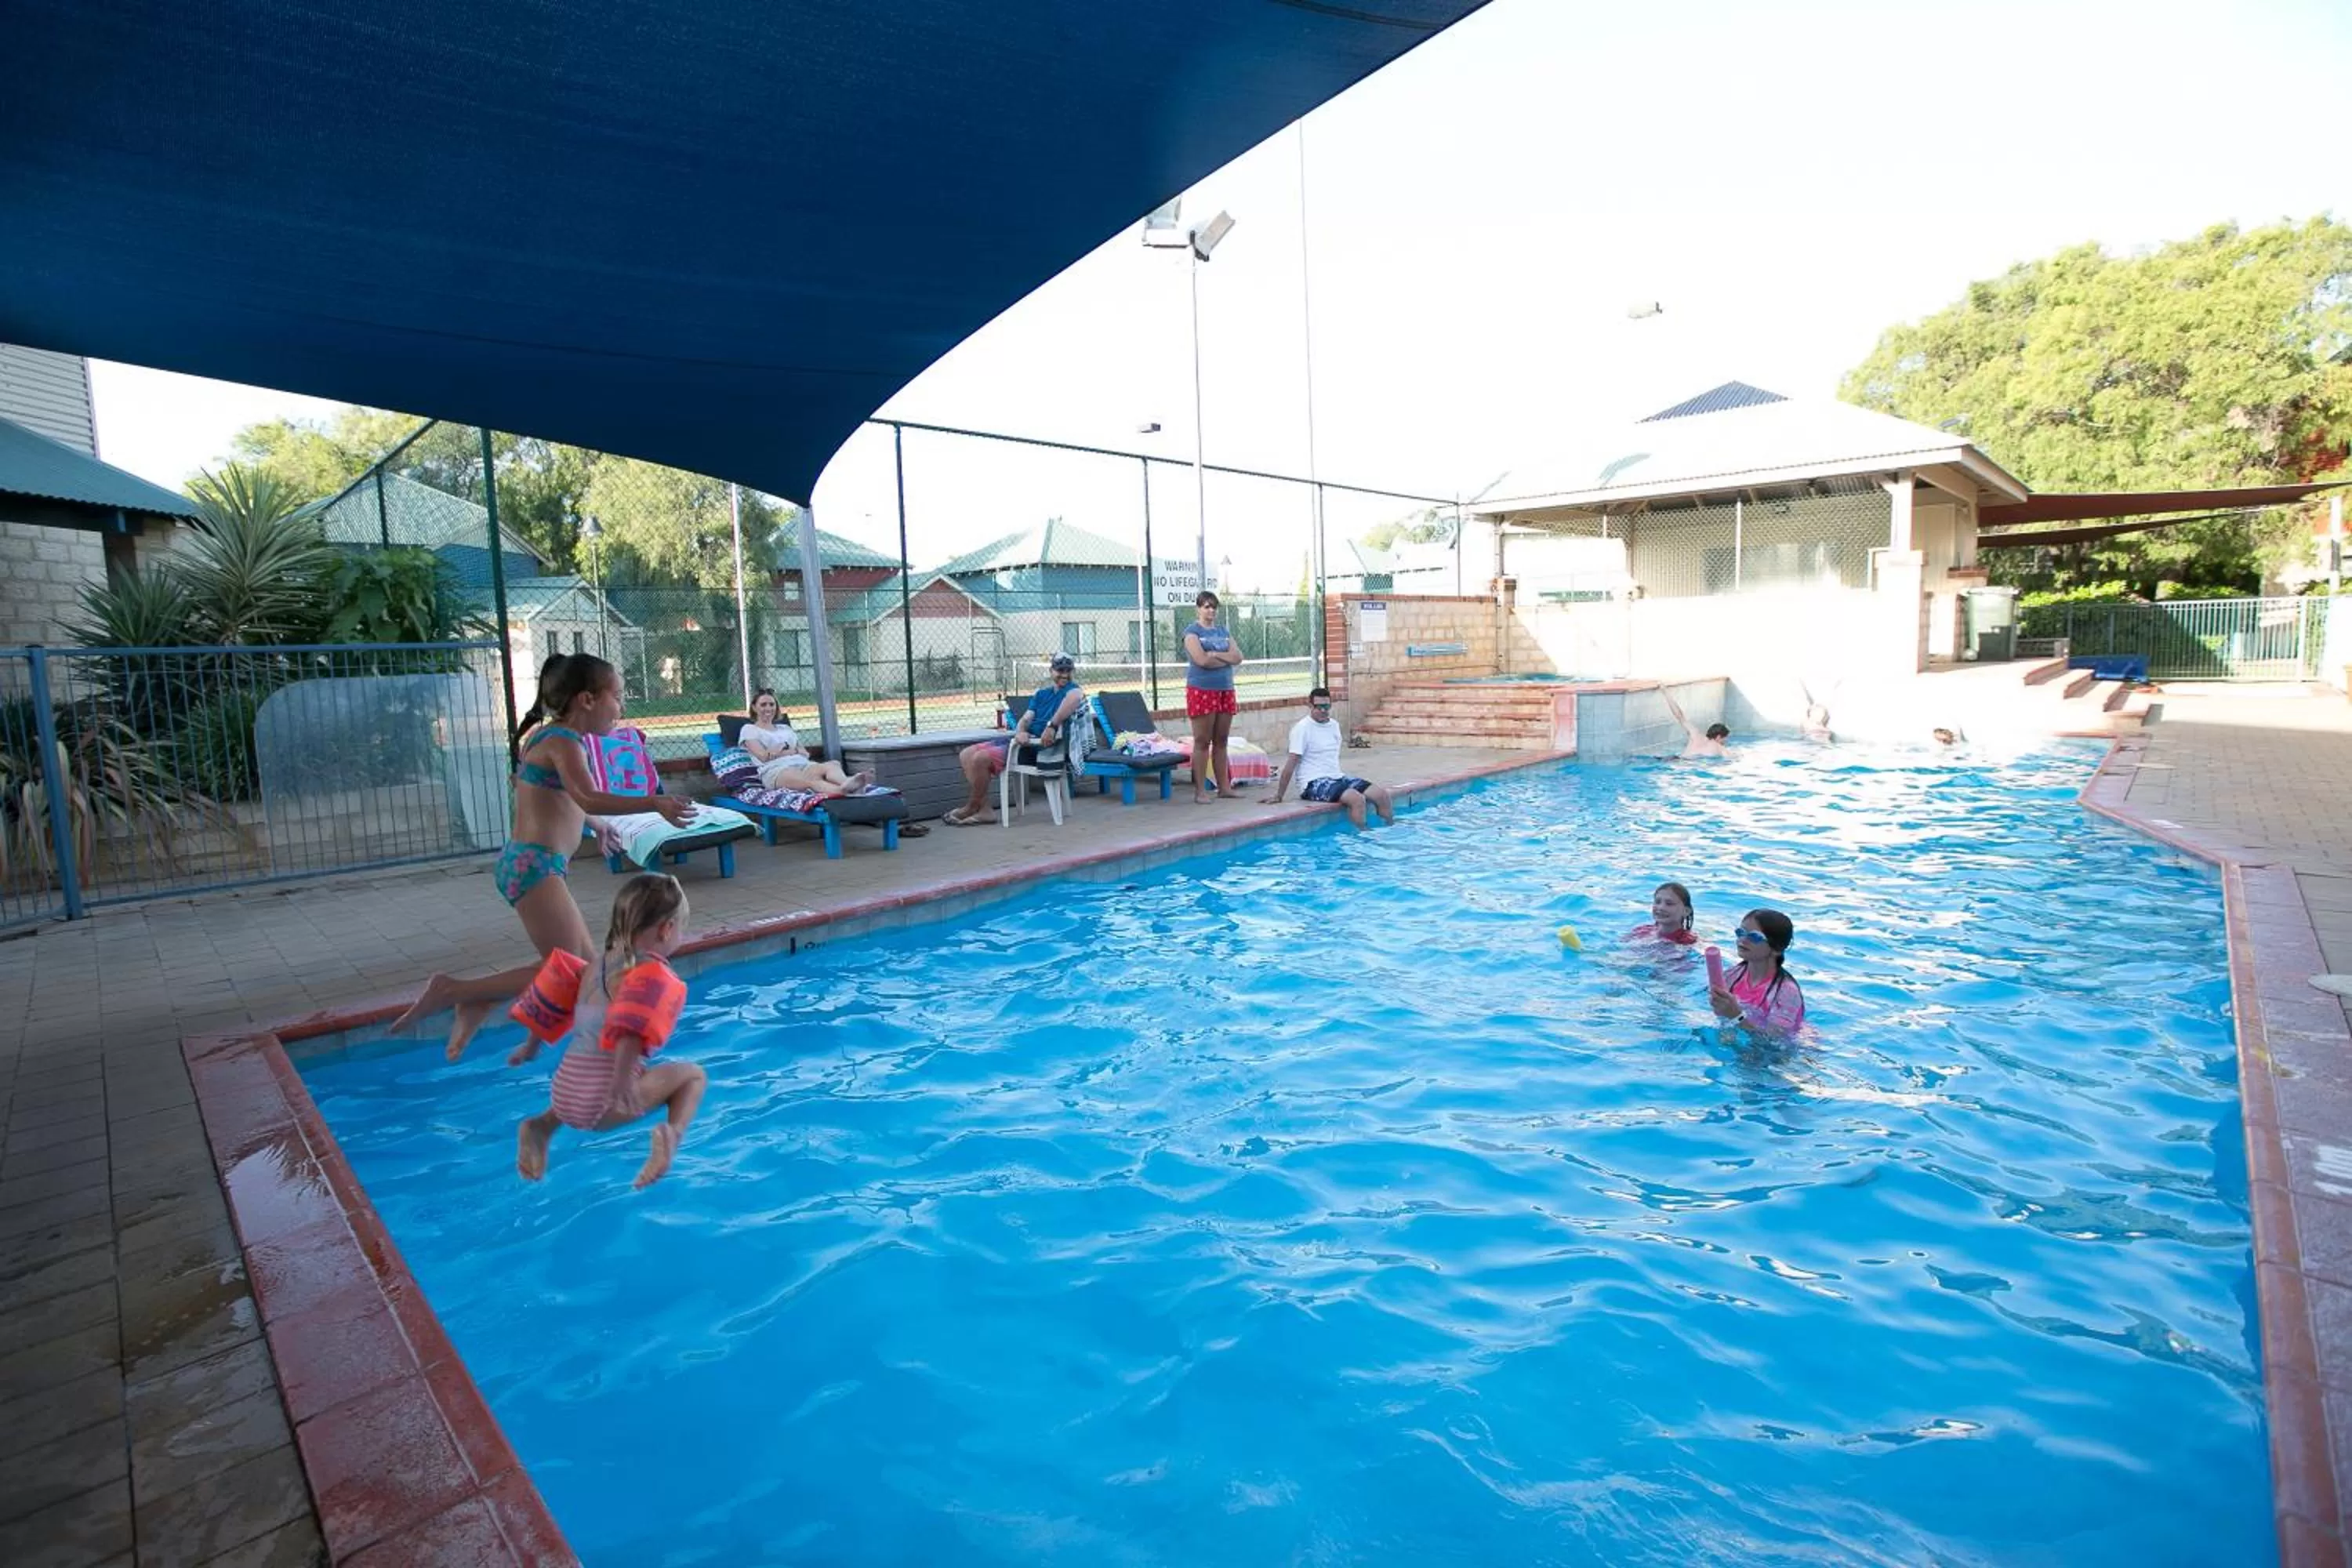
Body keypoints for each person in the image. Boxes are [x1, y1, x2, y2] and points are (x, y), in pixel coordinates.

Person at [390, 654, 695, 1061]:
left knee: (582, 969)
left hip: (533, 865)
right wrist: (654, 802)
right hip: (534, 867)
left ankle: (481, 1003)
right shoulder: (564, 741)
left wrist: (596, 824)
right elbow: (586, 793)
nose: (621, 707)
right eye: (617, 696)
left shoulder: (547, 736)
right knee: (575, 969)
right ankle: (455, 991)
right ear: (588, 699)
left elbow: (550, 792)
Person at [510, 873, 708, 1189]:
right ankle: (672, 1136)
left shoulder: (593, 966)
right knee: (693, 1075)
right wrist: (620, 1083)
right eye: (680, 928)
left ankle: (542, 1125)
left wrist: (530, 1048)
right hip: (601, 1104)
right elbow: (629, 1031)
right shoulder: (648, 974)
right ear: (666, 929)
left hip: (563, 1093)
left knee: (595, 1065)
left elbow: (550, 1005)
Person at [946, 653, 1086, 826]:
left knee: (980, 759)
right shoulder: (1041, 694)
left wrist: (1052, 726)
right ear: (1051, 671)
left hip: (1042, 749)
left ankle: (971, 807)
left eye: (1068, 670)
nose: (1064, 674)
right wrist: (1020, 731)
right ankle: (985, 810)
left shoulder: (1073, 691)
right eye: (1060, 670)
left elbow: (1075, 698)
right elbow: (1026, 719)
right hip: (1024, 743)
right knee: (966, 754)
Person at [1266, 687, 1393, 827]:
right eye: (1318, 707)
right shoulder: (1302, 729)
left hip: (1336, 777)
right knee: (1357, 799)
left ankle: (1389, 832)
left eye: (1326, 706)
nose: (1323, 710)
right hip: (1312, 783)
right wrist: (1279, 795)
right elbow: (1291, 763)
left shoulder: (1334, 725)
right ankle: (1363, 839)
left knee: (1381, 795)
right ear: (1310, 706)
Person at [739, 688, 870, 793]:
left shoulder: (785, 728)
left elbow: (805, 753)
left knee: (833, 765)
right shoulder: (749, 729)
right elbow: (763, 757)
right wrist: (793, 751)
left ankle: (847, 783)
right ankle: (843, 791)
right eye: (763, 705)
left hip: (802, 764)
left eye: (772, 704)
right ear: (754, 708)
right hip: (776, 771)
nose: (768, 708)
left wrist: (782, 750)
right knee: (810, 781)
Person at [1183, 590, 1245, 802]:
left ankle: (1224, 787)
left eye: (1213, 607)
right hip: (1202, 691)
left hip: (1225, 690)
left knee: (1222, 740)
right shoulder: (1192, 632)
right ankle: (1200, 791)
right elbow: (1201, 660)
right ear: (1198, 609)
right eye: (1206, 606)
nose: (1211, 610)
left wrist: (1217, 654)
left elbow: (1238, 657)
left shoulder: (1223, 631)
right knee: (1202, 741)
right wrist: (1223, 659)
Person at [1710, 909, 1806, 1034]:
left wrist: (1737, 1016)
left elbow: (1773, 1044)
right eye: (1740, 933)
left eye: (1754, 937)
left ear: (1776, 949)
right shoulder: (1731, 976)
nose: (1743, 940)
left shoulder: (1787, 992)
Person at [1660, 687, 1730, 757]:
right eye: (1724, 739)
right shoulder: (1720, 748)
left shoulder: (1695, 733)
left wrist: (1665, 692)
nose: (1724, 742)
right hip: (1689, 764)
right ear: (1718, 737)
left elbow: (1679, 716)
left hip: (1675, 759)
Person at [1630, 880, 1698, 945]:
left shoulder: (1689, 941)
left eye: (1669, 904)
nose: (1661, 907)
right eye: (1657, 902)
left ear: (1686, 911)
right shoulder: (1641, 931)